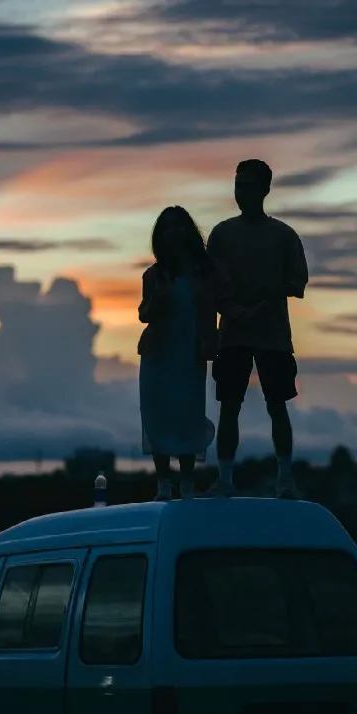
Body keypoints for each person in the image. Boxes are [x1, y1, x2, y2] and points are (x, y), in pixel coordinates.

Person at [207, 159, 308, 499]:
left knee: (277, 404)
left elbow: (298, 281)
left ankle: (285, 479)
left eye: (249, 186)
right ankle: (224, 479)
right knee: (229, 406)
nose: (242, 193)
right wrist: (232, 310)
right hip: (233, 333)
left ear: (265, 189)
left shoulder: (283, 235)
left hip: (273, 336)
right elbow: (211, 285)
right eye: (238, 185)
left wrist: (266, 298)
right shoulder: (221, 234)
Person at [138, 205, 237, 501]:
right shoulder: (154, 275)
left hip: (191, 352)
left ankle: (187, 484)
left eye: (177, 226)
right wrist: (158, 298)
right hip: (158, 353)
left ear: (188, 230)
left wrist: (221, 334)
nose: (173, 232)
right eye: (166, 227)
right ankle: (163, 485)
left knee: (188, 415)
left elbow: (227, 302)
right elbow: (144, 314)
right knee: (157, 416)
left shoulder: (208, 271)